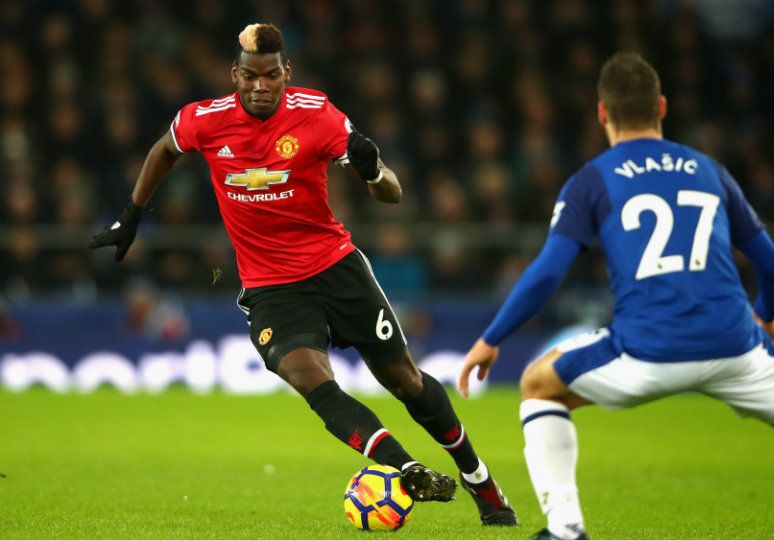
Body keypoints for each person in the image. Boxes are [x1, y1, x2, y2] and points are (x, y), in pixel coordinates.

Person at [458, 52, 774, 540]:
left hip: (647, 349)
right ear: (663, 107)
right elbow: (773, 264)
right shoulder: (707, 170)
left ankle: (566, 528)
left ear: (602, 113)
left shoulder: (592, 179)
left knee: (538, 384)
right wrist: (767, 315)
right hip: (734, 343)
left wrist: (492, 337)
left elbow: (548, 273)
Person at [90, 23, 516, 525]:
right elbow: (164, 149)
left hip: (336, 269)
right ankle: (405, 469)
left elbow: (393, 193)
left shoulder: (318, 115)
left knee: (404, 380)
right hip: (271, 288)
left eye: (271, 76)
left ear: (286, 73)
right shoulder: (204, 120)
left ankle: (480, 481)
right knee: (310, 379)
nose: (260, 86)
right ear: (236, 75)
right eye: (250, 76)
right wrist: (132, 215)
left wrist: (374, 171)